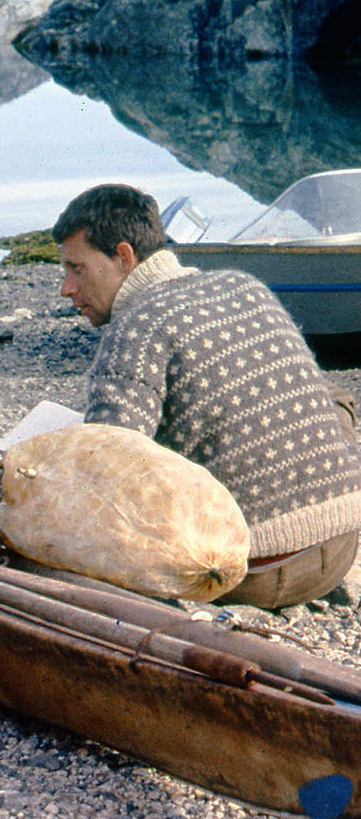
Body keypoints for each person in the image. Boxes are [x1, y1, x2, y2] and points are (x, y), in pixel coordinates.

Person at [52, 183, 361, 609]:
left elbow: (106, 472)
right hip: (342, 543)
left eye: (76, 269)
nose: (66, 288)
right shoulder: (243, 286)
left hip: (256, 569)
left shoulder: (136, 328)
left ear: (123, 257)